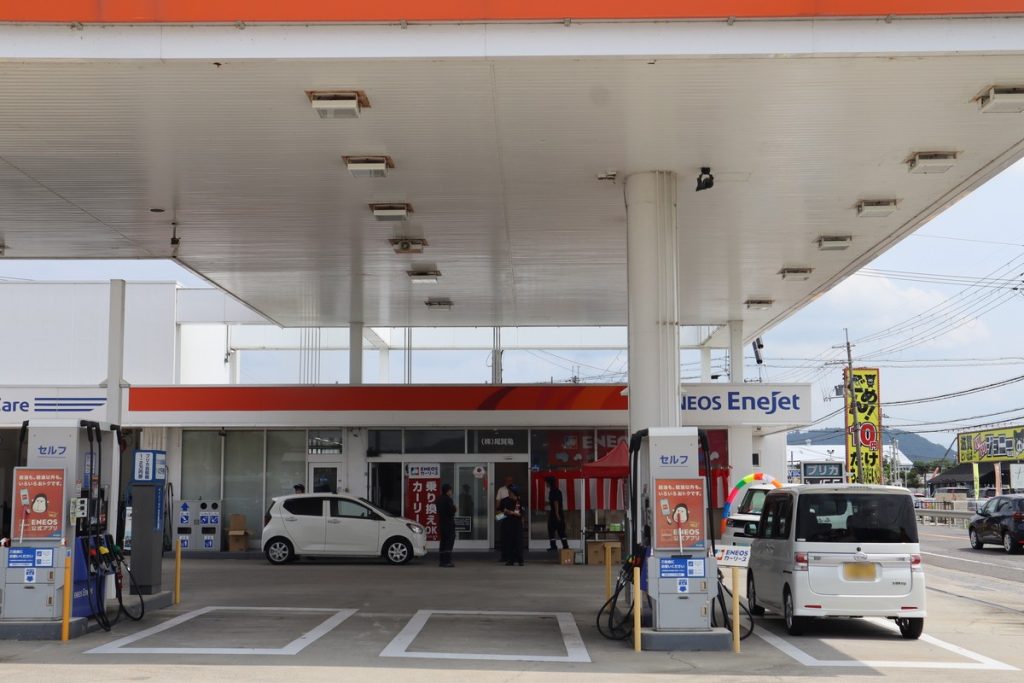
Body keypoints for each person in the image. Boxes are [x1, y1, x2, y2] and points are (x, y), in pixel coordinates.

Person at [499, 485, 524, 566]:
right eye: (509, 491)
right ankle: (510, 560)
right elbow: (499, 512)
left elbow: (519, 514)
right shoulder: (505, 501)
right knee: (509, 542)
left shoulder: (518, 502)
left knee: (518, 542)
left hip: (517, 525)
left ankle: (520, 560)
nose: (509, 493)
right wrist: (501, 516)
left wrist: (510, 512)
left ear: (514, 493)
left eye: (510, 492)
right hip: (507, 524)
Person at [545, 476, 569, 551]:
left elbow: (556, 502)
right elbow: (554, 502)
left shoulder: (553, 491)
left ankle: (553, 547)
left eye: (546, 483)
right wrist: (547, 503)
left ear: (549, 483)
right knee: (561, 530)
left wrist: (557, 514)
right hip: (559, 513)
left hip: (555, 514)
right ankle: (565, 546)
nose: (546, 484)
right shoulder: (558, 491)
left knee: (551, 529)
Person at [494, 475, 514, 561]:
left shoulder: (515, 489)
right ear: (505, 481)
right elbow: (498, 504)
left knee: (512, 537)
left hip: (513, 517)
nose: (509, 482)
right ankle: (504, 556)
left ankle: (512, 556)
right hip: (504, 515)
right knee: (504, 536)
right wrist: (498, 515)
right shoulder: (501, 490)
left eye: (511, 480)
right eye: (508, 481)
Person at [438, 483, 457, 568]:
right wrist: (455, 508)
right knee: (449, 542)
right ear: (447, 491)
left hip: (442, 523)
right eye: (450, 490)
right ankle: (447, 561)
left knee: (443, 542)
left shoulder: (438, 499)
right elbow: (451, 511)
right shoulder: (448, 500)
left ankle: (442, 561)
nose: (451, 492)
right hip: (449, 524)